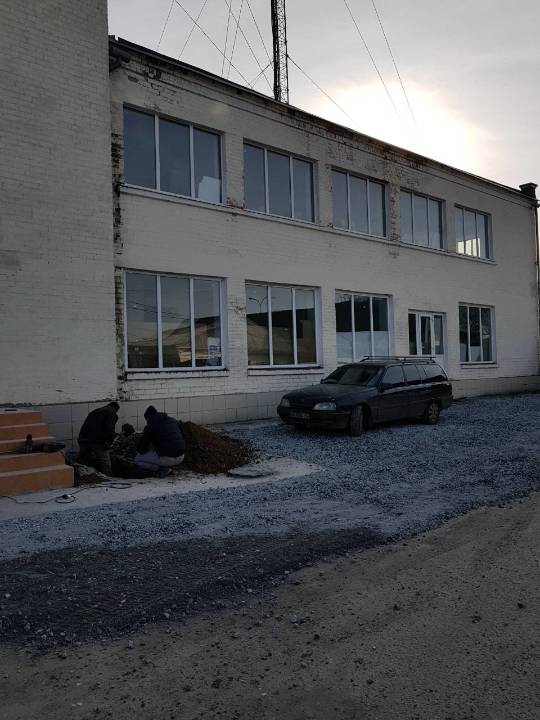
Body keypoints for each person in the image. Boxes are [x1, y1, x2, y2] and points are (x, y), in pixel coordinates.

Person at [135, 405, 185, 477]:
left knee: (138, 459)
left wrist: (149, 447)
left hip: (167, 459)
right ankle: (168, 466)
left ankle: (162, 469)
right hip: (181, 457)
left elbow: (141, 449)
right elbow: (183, 435)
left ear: (148, 418)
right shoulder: (173, 420)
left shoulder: (150, 426)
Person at [77, 401, 119, 475]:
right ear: (115, 409)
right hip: (97, 441)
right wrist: (109, 442)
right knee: (105, 461)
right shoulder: (111, 412)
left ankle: (79, 475)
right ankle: (108, 478)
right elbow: (109, 429)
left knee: (83, 459)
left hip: (83, 439)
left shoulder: (95, 411)